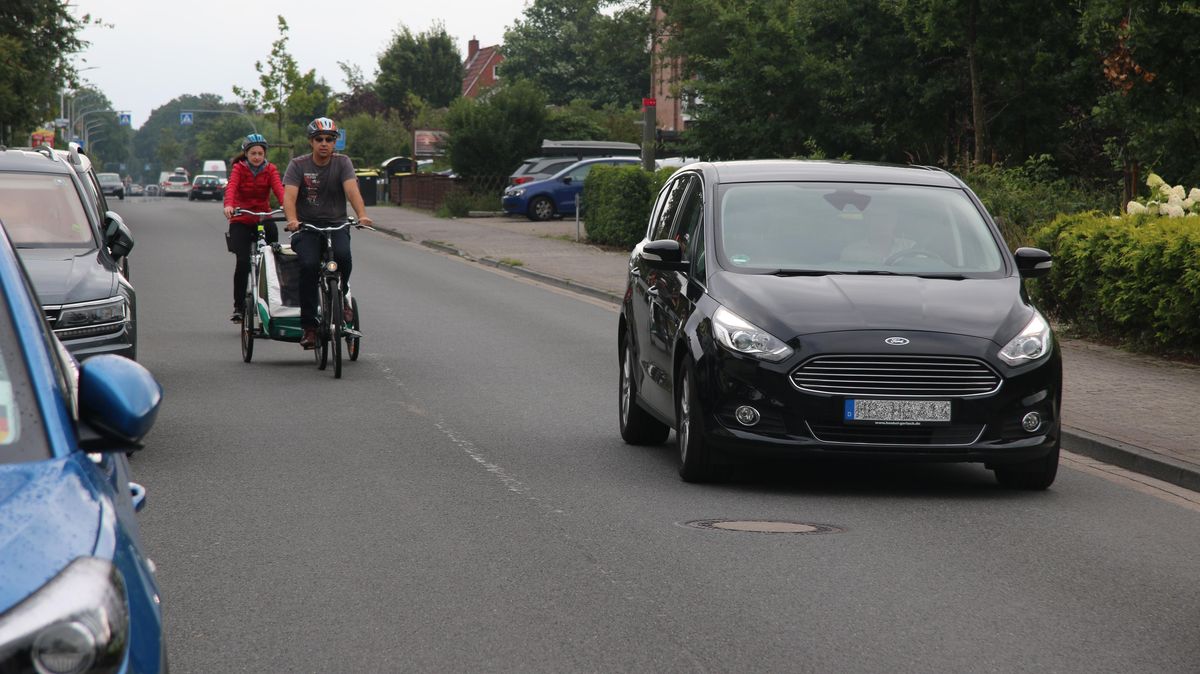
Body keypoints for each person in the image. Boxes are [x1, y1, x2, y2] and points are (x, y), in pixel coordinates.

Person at [282, 117, 374, 349]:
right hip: (307, 228)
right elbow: (289, 197)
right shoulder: (298, 165)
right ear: (311, 142)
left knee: (343, 256)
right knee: (309, 266)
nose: (324, 143)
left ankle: (341, 295)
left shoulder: (342, 163)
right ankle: (309, 328)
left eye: (330, 140)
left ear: (335, 143)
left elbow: (352, 191)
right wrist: (292, 220)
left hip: (336, 225)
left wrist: (362, 215)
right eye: (319, 139)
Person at [223, 133, 285, 322]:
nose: (257, 157)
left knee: (274, 257)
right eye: (253, 153)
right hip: (241, 218)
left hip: (263, 217)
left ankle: (275, 300)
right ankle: (239, 307)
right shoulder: (238, 169)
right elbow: (231, 188)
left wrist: (288, 207)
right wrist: (229, 205)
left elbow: (279, 190)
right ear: (246, 154)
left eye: (260, 153)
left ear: (265, 154)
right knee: (242, 262)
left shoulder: (271, 169)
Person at [840, 206, 915, 264]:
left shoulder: (911, 247)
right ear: (868, 221)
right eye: (876, 218)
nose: (881, 222)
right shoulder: (851, 252)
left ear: (895, 221)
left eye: (886, 217)